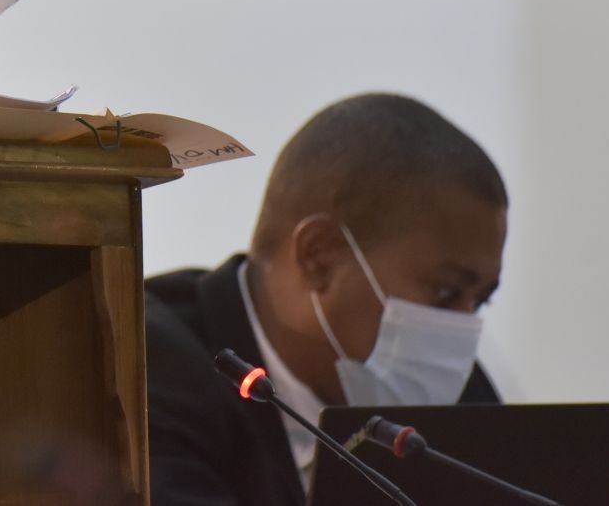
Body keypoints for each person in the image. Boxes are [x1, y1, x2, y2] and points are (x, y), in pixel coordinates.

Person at [144, 93, 505, 506]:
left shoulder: (462, 396)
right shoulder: (149, 369)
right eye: (445, 293)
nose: (461, 331)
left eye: (481, 301)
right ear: (320, 256)